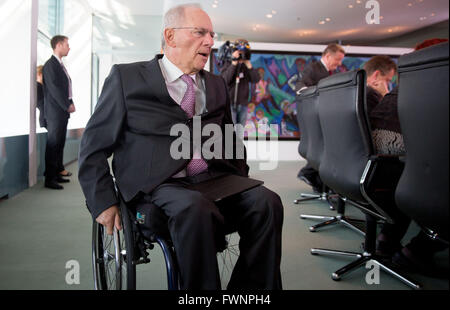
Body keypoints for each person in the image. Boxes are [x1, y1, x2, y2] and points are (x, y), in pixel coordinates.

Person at [78, 4, 283, 290]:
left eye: (211, 34)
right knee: (195, 208)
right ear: (170, 37)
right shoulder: (127, 79)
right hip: (158, 187)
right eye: (200, 32)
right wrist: (103, 201)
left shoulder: (216, 84)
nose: (210, 41)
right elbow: (93, 146)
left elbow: (228, 137)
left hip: (213, 180)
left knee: (267, 202)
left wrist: (243, 181)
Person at [371, 39, 449, 278]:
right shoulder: (435, 93)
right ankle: (418, 250)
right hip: (400, 176)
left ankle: (387, 240)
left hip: (374, 171)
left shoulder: (398, 94)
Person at [296, 43, 346, 192]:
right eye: (337, 59)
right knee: (321, 146)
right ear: (327, 56)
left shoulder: (328, 71)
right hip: (313, 117)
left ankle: (318, 181)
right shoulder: (313, 68)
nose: (339, 63)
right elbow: (301, 86)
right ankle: (308, 173)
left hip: (323, 116)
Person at [42, 35, 75, 189]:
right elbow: (55, 90)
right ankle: (49, 179)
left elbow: (66, 88)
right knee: (53, 144)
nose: (69, 47)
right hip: (55, 112)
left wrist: (71, 102)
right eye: (67, 44)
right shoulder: (50, 65)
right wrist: (66, 105)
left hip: (61, 111)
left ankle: (56, 173)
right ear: (59, 45)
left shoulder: (60, 65)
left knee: (60, 143)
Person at [220, 39, 260, 128]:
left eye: (243, 52)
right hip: (229, 104)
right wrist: (234, 64)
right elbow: (225, 80)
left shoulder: (246, 67)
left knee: (239, 132)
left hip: (243, 104)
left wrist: (248, 64)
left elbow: (256, 79)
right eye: (239, 52)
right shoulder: (228, 64)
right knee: (230, 131)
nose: (241, 54)